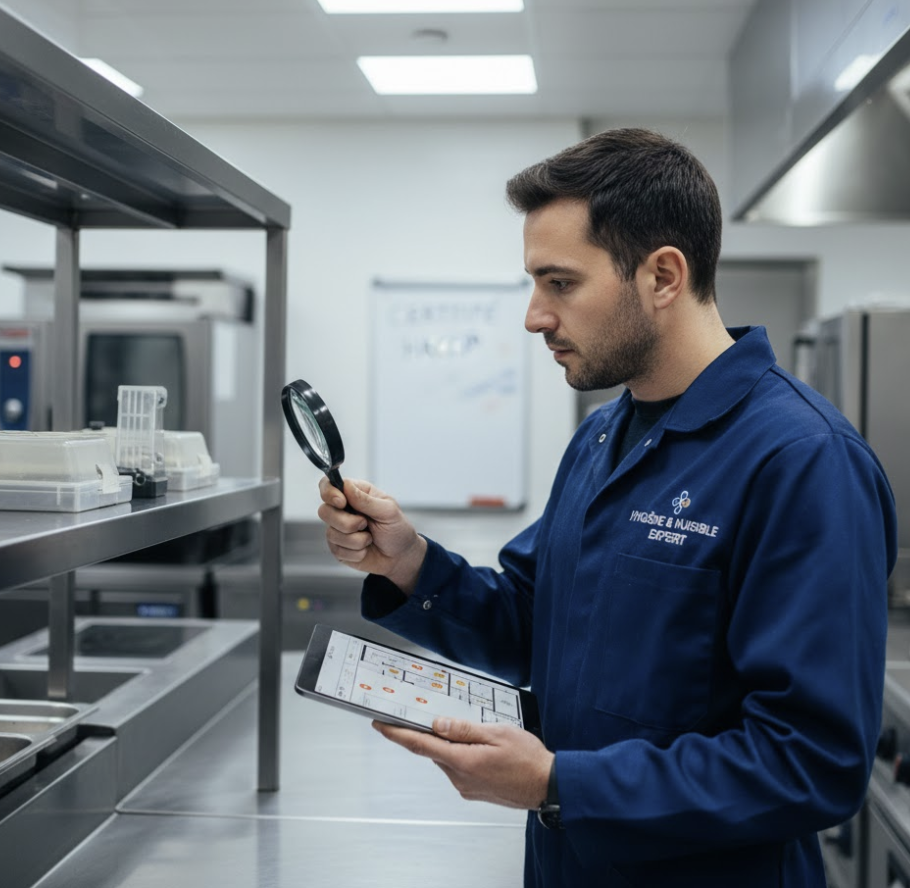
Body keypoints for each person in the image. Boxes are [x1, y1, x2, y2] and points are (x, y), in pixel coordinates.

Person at [315, 128, 897, 887]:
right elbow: (536, 623)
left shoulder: (801, 461)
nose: (533, 316)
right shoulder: (601, 439)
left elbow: (810, 762)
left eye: (560, 284)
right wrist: (411, 563)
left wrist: (562, 786)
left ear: (661, 275)